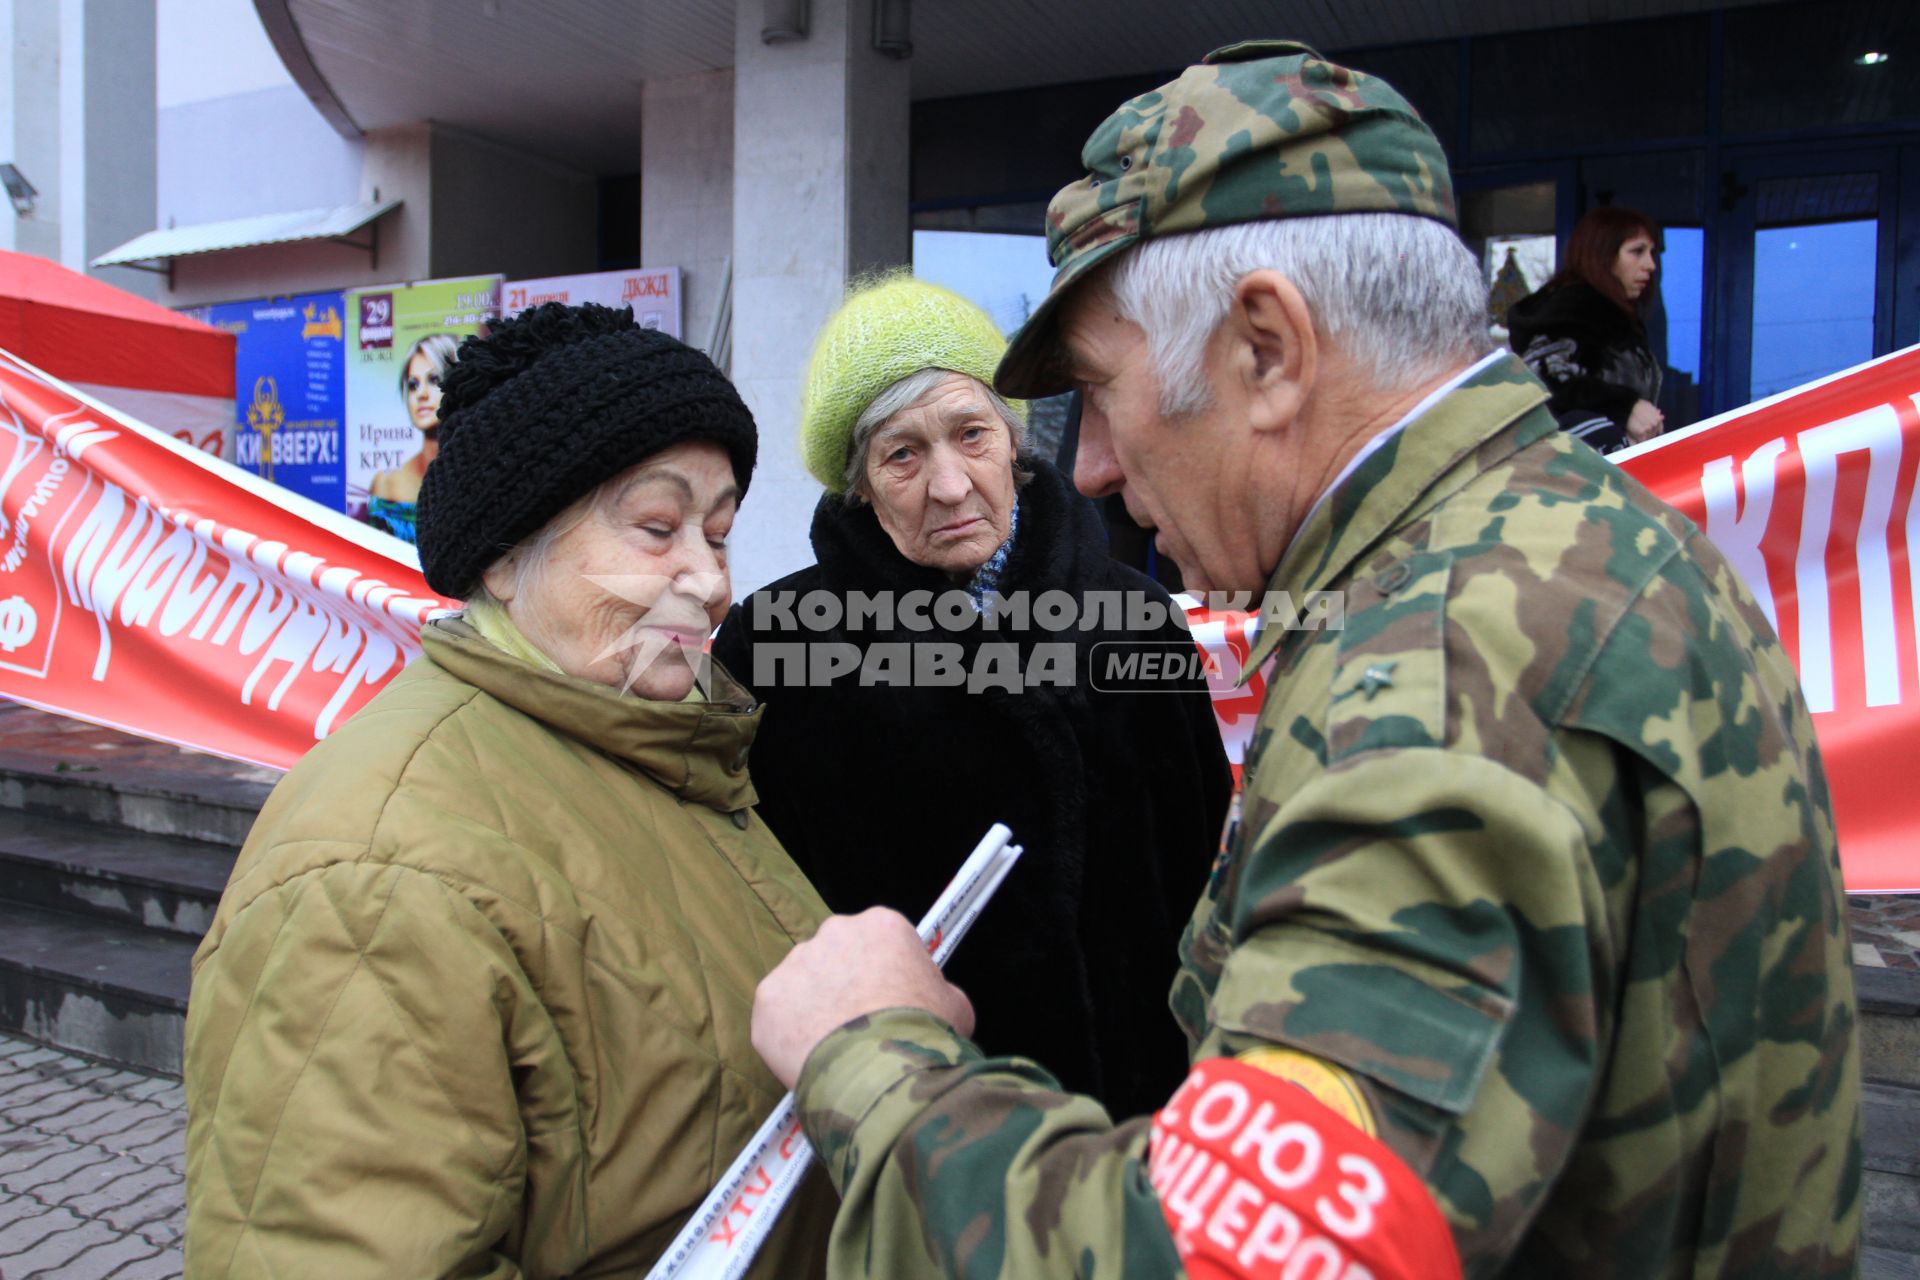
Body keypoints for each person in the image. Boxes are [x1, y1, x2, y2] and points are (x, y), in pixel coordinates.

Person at [750, 41, 1861, 1279]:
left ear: (1267, 348)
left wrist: (870, 1049)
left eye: (1105, 394)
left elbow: (1230, 1256)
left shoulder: (1444, 675)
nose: (1095, 467)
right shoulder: (1590, 541)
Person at [183, 304, 831, 1279]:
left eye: (720, 531)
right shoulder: (377, 876)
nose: (709, 578)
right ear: (502, 550)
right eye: (657, 527)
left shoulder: (657, 746)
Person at [711, 274, 1231, 1121]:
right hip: (904, 1121)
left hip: (1140, 1113)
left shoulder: (1137, 620)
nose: (949, 485)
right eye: (902, 454)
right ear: (860, 484)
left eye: (971, 434)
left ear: (1016, 445)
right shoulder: (773, 648)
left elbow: (1206, 869)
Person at [1506, 206, 1666, 454]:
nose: (1650, 265)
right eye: (1637, 252)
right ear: (1603, 255)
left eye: (1652, 252)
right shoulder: (1575, 308)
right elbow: (1543, 376)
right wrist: (1625, 407)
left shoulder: (1615, 316)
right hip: (1572, 476)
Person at [366, 331, 458, 542]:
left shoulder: (478, 475)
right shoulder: (386, 484)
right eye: (413, 385)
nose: (421, 394)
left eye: (434, 380)